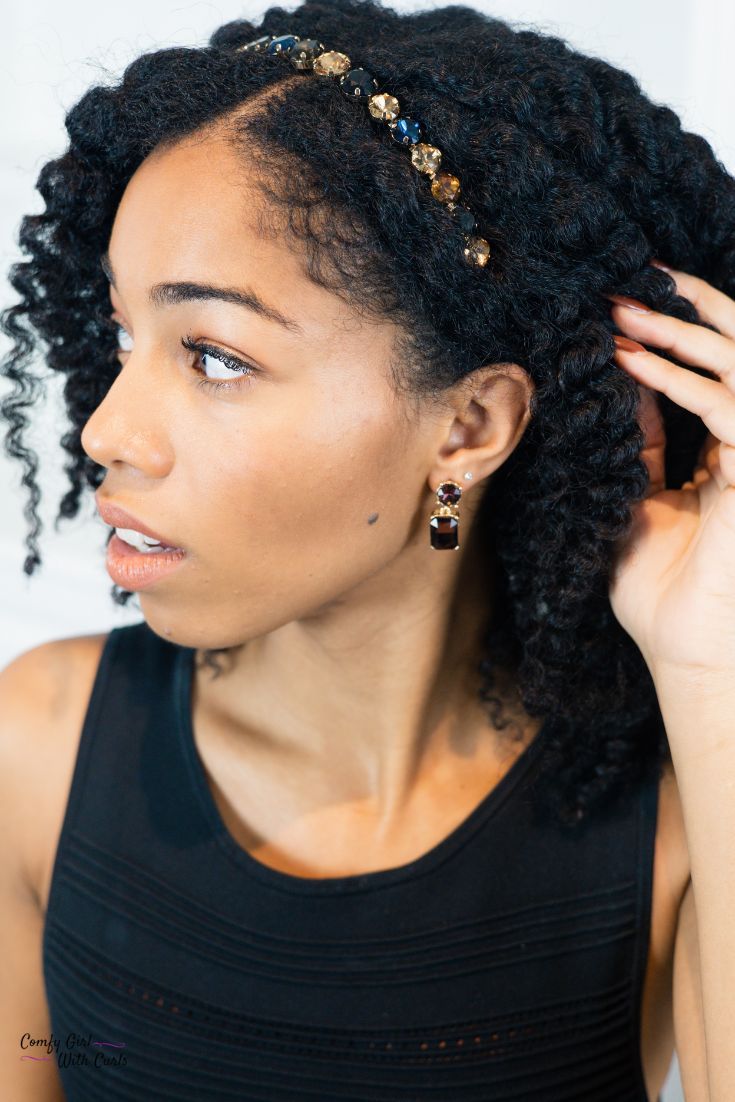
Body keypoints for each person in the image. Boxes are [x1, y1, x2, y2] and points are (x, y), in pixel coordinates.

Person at [4, 0, 731, 1097]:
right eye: (122, 334)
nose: (106, 429)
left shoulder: (676, 814)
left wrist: (710, 658)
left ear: (467, 427)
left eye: (212, 354)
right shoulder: (37, 752)